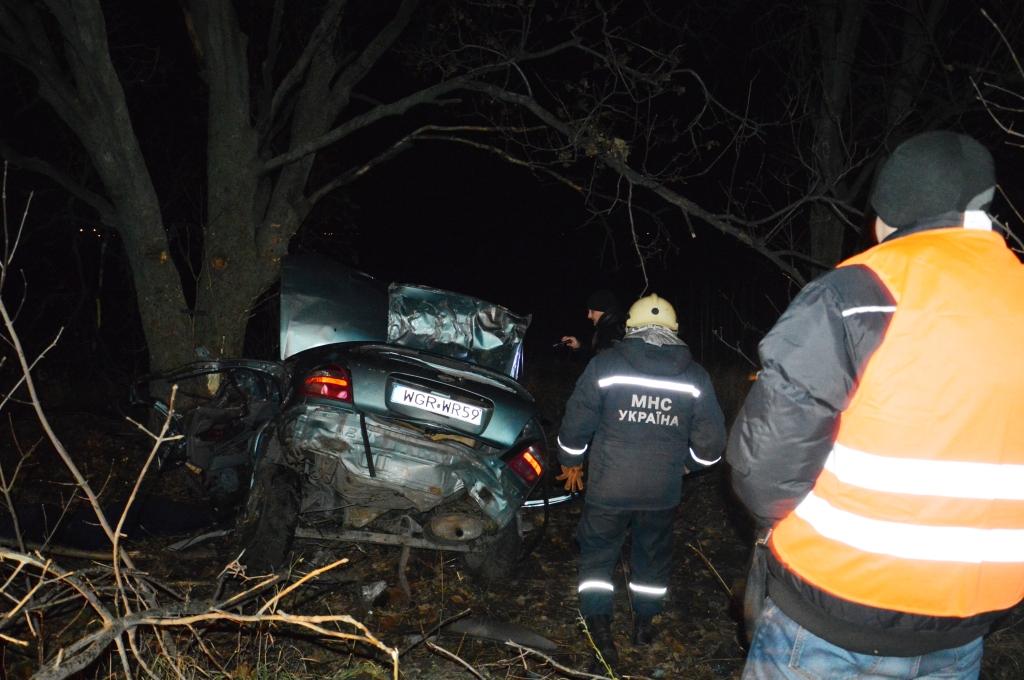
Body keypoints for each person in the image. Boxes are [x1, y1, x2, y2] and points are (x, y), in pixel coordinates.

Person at [727, 130, 1024, 679]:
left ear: (888, 212)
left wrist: (770, 524)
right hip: (964, 630)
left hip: (828, 623)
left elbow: (763, 465)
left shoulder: (855, 295)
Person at [556, 293, 726, 670]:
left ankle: (601, 629)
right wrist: (684, 467)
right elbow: (712, 446)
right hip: (661, 491)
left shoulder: (606, 364)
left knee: (598, 555)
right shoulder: (695, 376)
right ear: (674, 331)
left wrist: (571, 459)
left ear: (630, 326)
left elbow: (576, 420)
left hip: (608, 486)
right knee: (651, 555)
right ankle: (643, 627)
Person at [560, 289, 625, 355]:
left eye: (592, 311)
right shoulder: (606, 330)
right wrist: (579, 346)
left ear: (604, 311)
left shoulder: (615, 333)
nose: (589, 316)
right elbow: (596, 354)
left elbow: (603, 361)